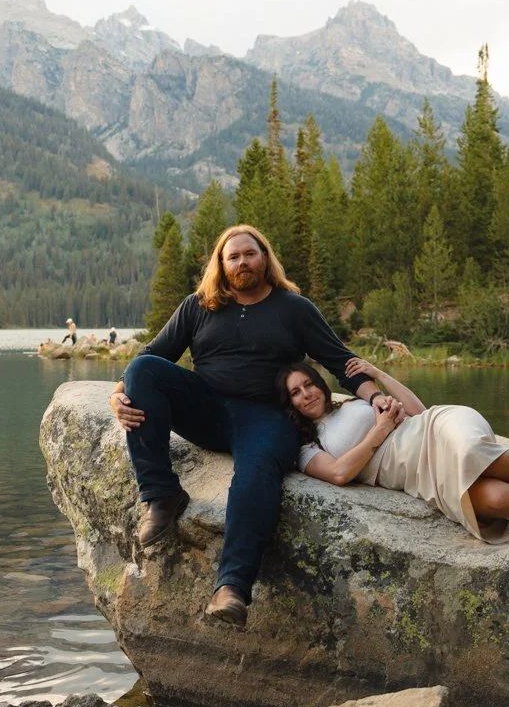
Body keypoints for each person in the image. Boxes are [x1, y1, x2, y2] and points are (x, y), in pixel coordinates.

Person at [108, 225, 399, 629]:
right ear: (221, 265)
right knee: (144, 370)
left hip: (267, 417)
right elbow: (152, 354)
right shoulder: (198, 306)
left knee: (256, 475)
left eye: (250, 254)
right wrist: (118, 395)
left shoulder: (293, 308)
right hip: (206, 409)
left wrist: (374, 395)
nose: (242, 262)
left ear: (265, 258)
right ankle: (161, 495)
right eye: (233, 256)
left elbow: (339, 360)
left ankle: (231, 588)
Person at [276, 358, 509, 544]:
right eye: (296, 392)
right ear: (289, 404)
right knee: (493, 502)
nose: (307, 393)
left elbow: (419, 410)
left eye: (309, 384)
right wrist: (381, 431)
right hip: (416, 473)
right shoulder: (308, 447)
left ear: (320, 384)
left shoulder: (351, 403)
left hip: (435, 429)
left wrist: (379, 375)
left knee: (468, 449)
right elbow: (340, 473)